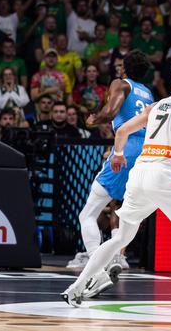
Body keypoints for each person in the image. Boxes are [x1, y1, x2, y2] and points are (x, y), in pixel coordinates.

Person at [62, 66, 171, 310]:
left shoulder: (155, 107)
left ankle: (76, 287)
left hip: (139, 174)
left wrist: (118, 155)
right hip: (164, 175)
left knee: (121, 236)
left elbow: (121, 130)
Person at [67, 50, 154, 271]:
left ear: (124, 67)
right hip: (148, 153)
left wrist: (92, 119)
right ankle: (117, 256)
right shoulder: (148, 93)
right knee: (121, 208)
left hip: (128, 148)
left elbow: (110, 111)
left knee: (87, 214)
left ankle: (96, 261)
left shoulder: (121, 83)